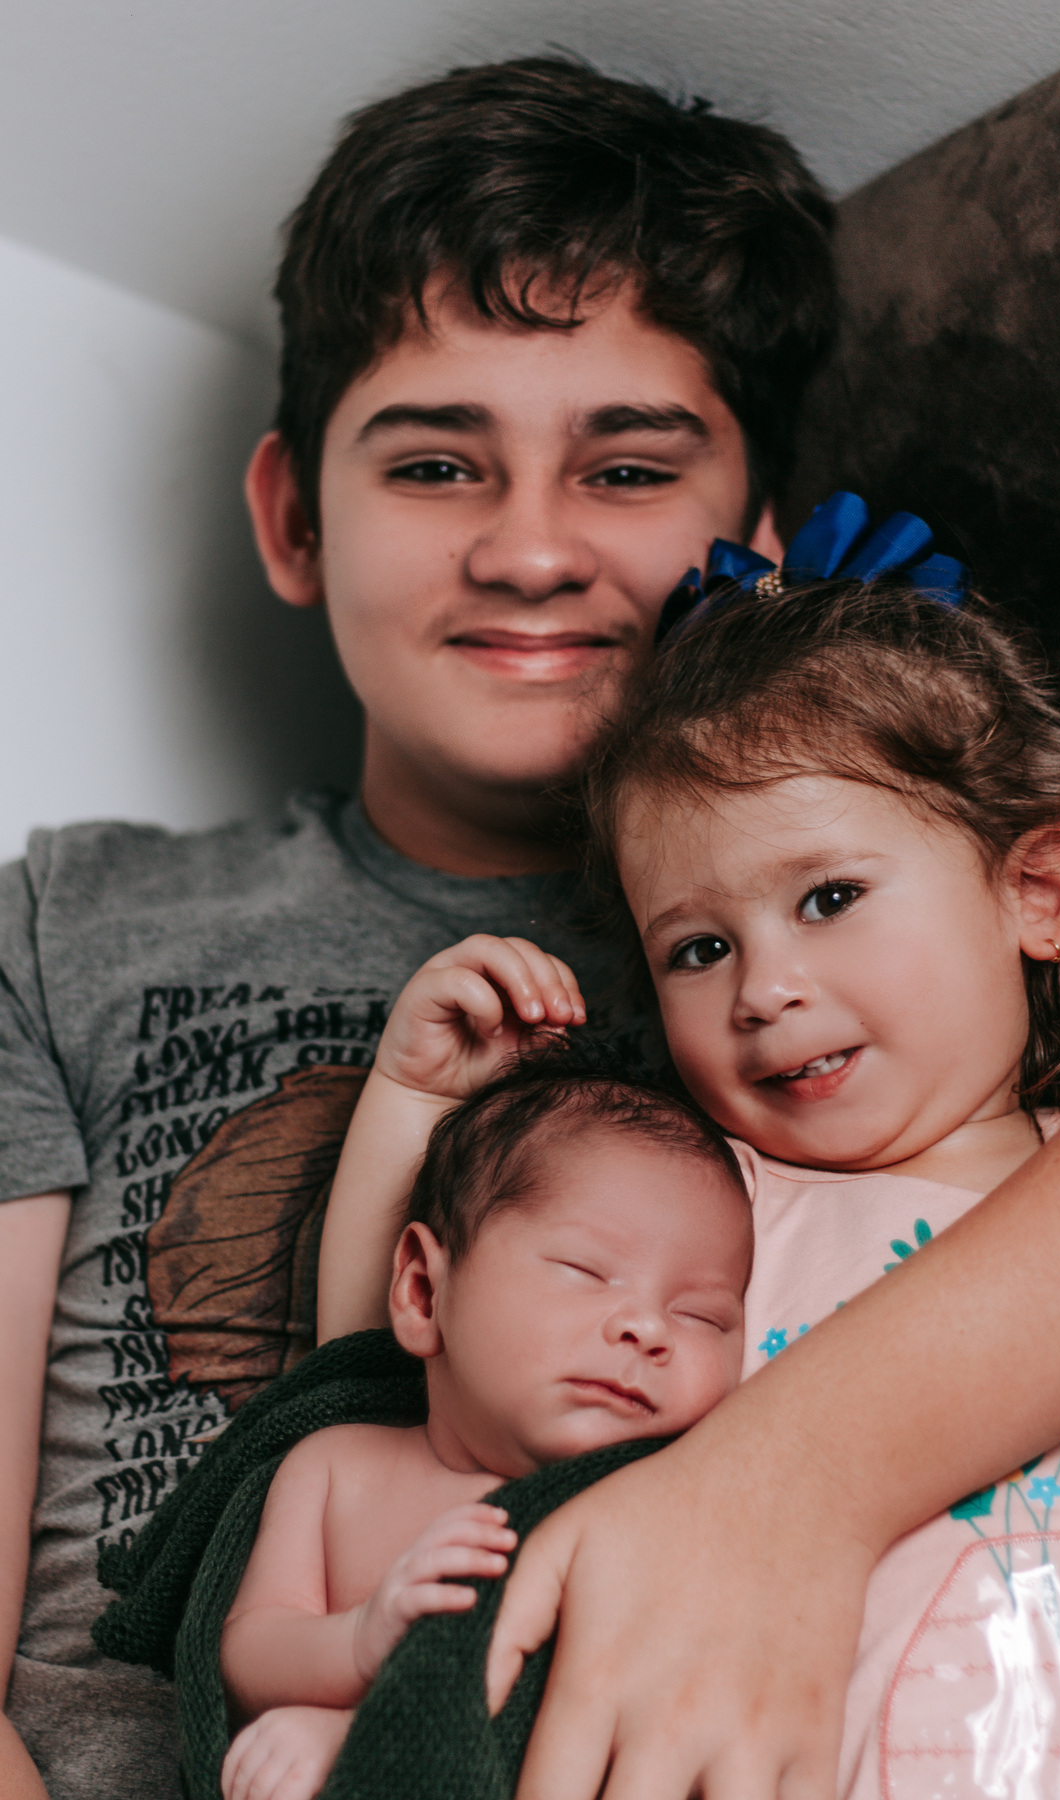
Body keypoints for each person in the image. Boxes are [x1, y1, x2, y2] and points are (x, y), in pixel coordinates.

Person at [0, 57, 837, 1800]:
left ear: (755, 548)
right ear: (295, 517)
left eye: (626, 469)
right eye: (441, 464)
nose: (529, 553)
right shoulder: (64, 923)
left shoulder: (872, 911)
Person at [321, 579, 1060, 1792]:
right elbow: (403, 1369)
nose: (763, 990)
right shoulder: (707, 1200)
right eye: (699, 948)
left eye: (830, 899)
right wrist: (411, 1102)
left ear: (1038, 892)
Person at [219, 1022, 752, 1800]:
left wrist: (364, 1740)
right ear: (423, 1293)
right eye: (585, 1270)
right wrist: (361, 1644)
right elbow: (251, 1653)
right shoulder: (335, 1469)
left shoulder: (663, 1505)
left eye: (702, 1314)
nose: (648, 1327)